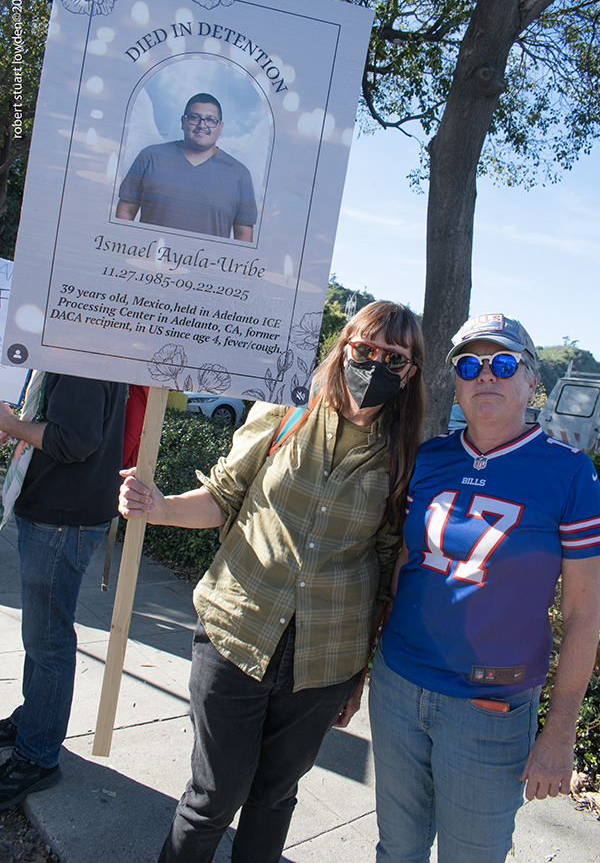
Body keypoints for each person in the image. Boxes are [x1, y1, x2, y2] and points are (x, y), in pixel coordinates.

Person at [118, 301, 425, 863]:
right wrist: (160, 507)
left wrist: (359, 674)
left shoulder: (404, 454)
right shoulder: (288, 408)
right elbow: (224, 494)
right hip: (237, 629)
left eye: (394, 358)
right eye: (365, 349)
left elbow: (387, 569)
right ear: (344, 347)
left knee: (275, 797)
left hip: (325, 661)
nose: (376, 365)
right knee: (213, 797)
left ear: (410, 373)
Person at [369, 313, 600, 863]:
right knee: (396, 850)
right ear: (456, 381)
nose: (486, 375)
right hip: (398, 687)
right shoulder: (430, 457)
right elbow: (404, 563)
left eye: (503, 363)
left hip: (489, 707)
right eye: (470, 365)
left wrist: (559, 732)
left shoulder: (570, 473)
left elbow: (584, 613)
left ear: (532, 380)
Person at [0, 373, 126, 810]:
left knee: (48, 642)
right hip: (58, 513)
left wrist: (12, 425)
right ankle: (32, 721)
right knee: (41, 637)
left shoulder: (82, 356)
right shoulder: (85, 350)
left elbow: (73, 441)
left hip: (60, 517)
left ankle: (37, 756)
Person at [116, 92, 257, 240]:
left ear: (220, 127)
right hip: (150, 253)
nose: (202, 125)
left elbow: (244, 234)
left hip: (206, 256)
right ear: (183, 122)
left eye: (210, 120)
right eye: (194, 118)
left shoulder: (240, 174)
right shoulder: (150, 157)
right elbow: (125, 211)